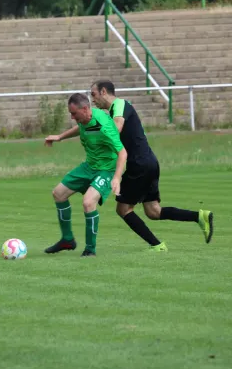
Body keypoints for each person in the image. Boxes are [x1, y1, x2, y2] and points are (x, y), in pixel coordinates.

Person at [89, 80, 214, 251]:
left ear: (103, 91)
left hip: (139, 165)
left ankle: (157, 245)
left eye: (93, 94)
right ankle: (200, 217)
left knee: (123, 209)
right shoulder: (115, 109)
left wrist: (97, 137)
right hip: (149, 162)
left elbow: (117, 127)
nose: (92, 99)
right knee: (153, 211)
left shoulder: (119, 105)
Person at [44, 92, 127, 257]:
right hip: (89, 166)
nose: (72, 117)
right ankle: (67, 239)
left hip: (106, 169)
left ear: (85, 109)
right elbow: (80, 127)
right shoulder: (84, 119)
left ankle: (90, 249)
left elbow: (123, 153)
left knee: (88, 202)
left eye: (74, 113)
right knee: (58, 193)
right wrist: (60, 137)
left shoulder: (104, 125)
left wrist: (116, 178)